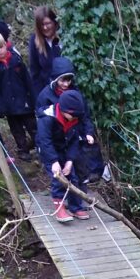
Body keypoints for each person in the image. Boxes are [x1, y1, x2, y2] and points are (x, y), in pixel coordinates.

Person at [35, 56, 106, 184]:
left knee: (76, 161)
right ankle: (61, 192)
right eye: (63, 80)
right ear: (56, 78)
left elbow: (85, 115)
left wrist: (88, 132)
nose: (66, 84)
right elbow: (42, 119)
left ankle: (81, 182)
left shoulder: (75, 93)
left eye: (69, 80)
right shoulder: (45, 96)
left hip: (73, 133)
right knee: (59, 170)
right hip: (57, 136)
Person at [36, 88, 91, 223]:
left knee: (72, 177)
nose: (75, 118)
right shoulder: (47, 118)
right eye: (72, 115)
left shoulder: (73, 119)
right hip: (48, 150)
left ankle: (75, 206)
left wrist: (70, 161)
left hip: (65, 149)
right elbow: (45, 141)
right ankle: (59, 207)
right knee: (58, 178)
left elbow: (74, 140)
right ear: (64, 110)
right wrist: (54, 161)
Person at [0, 31, 37, 159]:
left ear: (5, 44)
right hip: (9, 105)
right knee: (17, 129)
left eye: (1, 47)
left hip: (24, 101)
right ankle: (23, 150)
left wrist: (33, 98)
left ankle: (40, 146)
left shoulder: (17, 61)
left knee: (32, 126)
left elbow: (28, 81)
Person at [28, 6, 61, 96]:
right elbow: (34, 72)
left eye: (48, 23)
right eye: (42, 25)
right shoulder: (34, 41)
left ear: (54, 22)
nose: (45, 28)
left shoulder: (63, 38)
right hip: (48, 92)